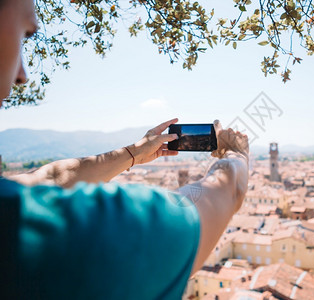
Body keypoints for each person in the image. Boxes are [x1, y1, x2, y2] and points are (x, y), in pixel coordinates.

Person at [0, 0, 249, 299]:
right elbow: (222, 197)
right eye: (25, 34)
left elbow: (51, 178)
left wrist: (134, 154)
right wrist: (236, 156)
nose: (22, 74)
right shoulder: (50, 233)